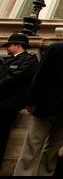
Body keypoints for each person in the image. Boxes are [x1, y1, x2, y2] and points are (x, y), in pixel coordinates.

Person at [14, 24, 63, 176]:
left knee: (53, 149)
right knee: (33, 146)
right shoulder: (56, 48)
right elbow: (41, 75)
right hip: (47, 106)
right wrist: (31, 102)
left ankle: (45, 174)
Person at [0, 33, 39, 169]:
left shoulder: (29, 60)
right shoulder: (6, 60)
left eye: (10, 45)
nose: (8, 48)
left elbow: (16, 76)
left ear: (18, 45)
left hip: (12, 101)